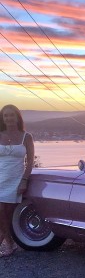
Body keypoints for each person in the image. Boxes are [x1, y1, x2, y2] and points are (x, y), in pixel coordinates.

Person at [0, 104, 34, 257]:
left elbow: (30, 162)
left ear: (17, 117)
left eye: (11, 115)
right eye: (5, 115)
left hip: (16, 178)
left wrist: (24, 180)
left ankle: (6, 241)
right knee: (1, 211)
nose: (8, 118)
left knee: (7, 212)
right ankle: (9, 243)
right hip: (0, 177)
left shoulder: (26, 137)